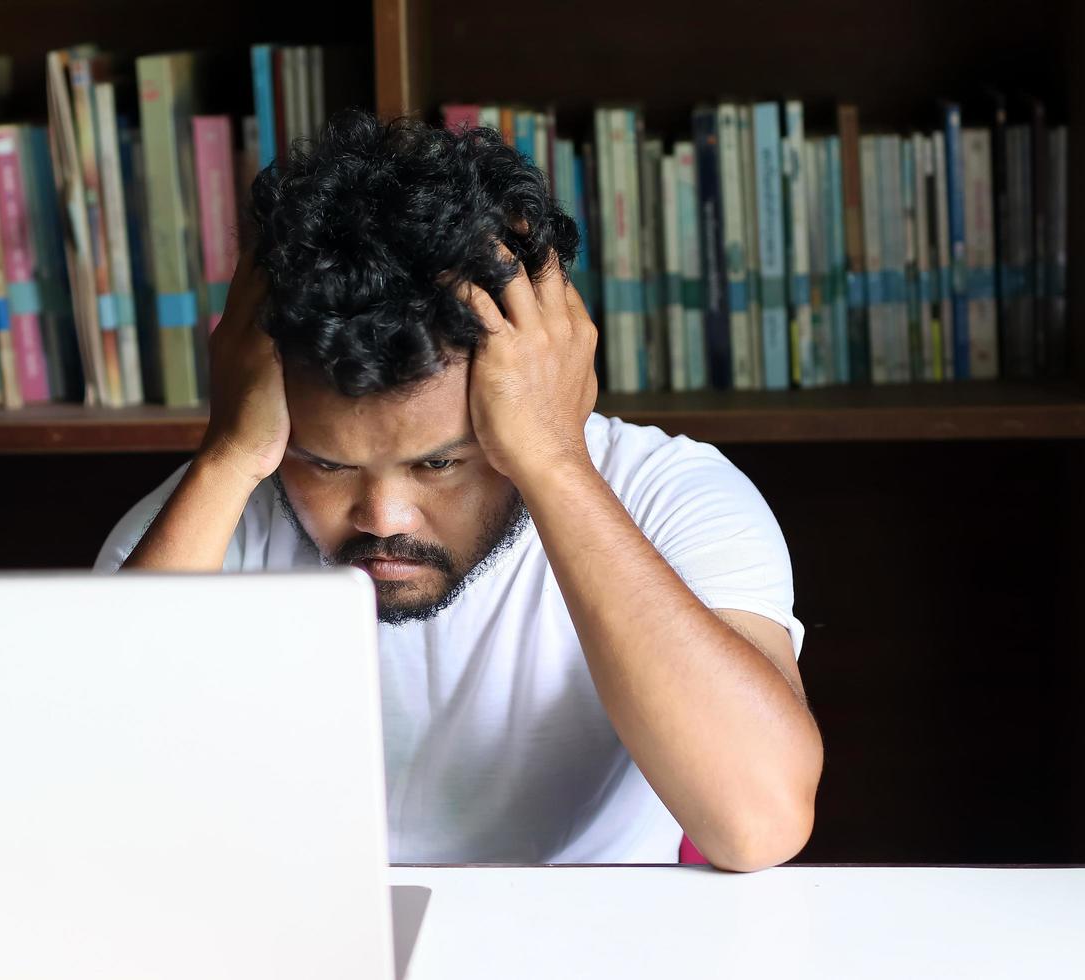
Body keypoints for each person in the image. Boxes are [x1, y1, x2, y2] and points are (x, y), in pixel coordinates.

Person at [97, 110, 823, 872]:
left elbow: (758, 822)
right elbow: (83, 818)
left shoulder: (667, 495)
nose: (385, 518)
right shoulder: (203, 517)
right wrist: (226, 456)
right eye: (326, 465)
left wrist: (554, 462)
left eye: (439, 465)